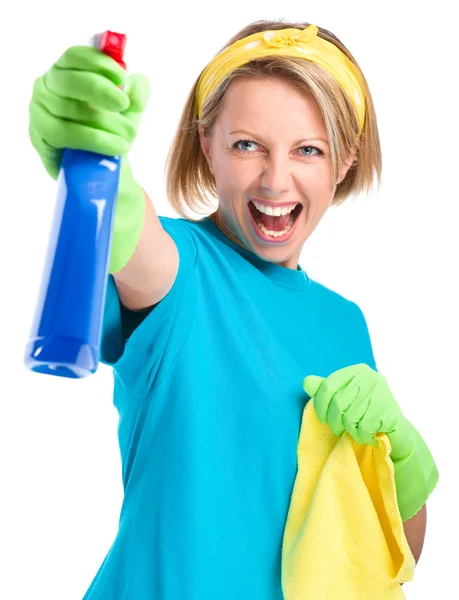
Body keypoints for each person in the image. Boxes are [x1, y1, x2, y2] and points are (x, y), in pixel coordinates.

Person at [28, 18, 439, 600]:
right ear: (208, 145)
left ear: (344, 160)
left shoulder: (346, 324)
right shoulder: (185, 271)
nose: (276, 179)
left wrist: (402, 452)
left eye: (308, 150)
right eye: (247, 145)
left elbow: (386, 555)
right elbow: (134, 237)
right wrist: (93, 155)